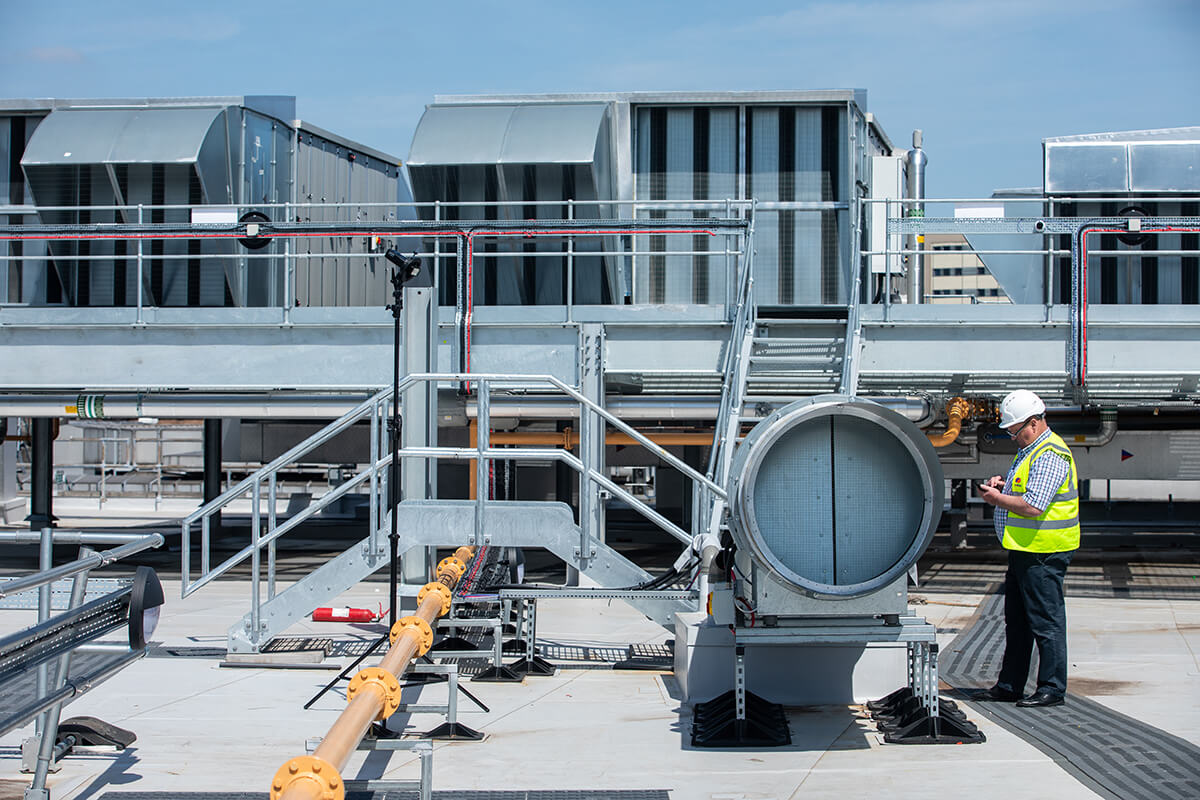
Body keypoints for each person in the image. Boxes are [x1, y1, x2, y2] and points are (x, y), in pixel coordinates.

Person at [977, 389, 1080, 708]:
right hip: (1024, 549)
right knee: (1018, 621)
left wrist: (996, 499)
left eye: (1014, 431)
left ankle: (1051, 687)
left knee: (1046, 622)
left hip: (1043, 553)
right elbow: (1026, 489)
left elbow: (1034, 505)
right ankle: (1010, 685)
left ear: (1033, 423)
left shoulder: (1049, 453)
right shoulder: (1030, 449)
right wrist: (1004, 487)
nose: (1012, 437)